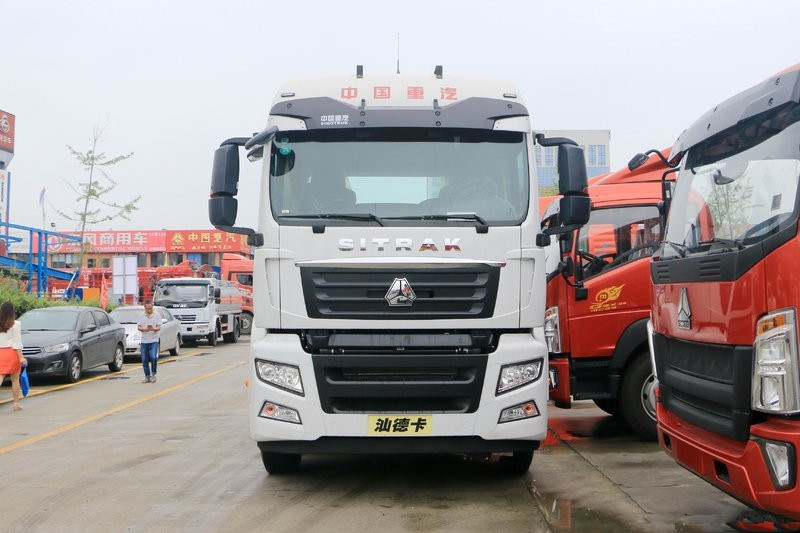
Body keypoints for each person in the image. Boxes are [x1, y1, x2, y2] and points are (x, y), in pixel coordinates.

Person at [0, 301, 25, 410]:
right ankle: (16, 404)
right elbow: (17, 342)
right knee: (15, 379)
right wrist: (21, 357)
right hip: (11, 353)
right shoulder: (16, 324)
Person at [138, 302, 161, 383]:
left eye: (150, 308)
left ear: (152, 307)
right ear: (144, 308)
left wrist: (153, 328)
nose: (149, 310)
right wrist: (145, 329)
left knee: (153, 357)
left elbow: (158, 327)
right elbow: (139, 327)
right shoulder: (141, 315)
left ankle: (153, 374)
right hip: (144, 340)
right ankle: (147, 376)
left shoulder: (157, 315)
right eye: (147, 309)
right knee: (144, 359)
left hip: (154, 340)